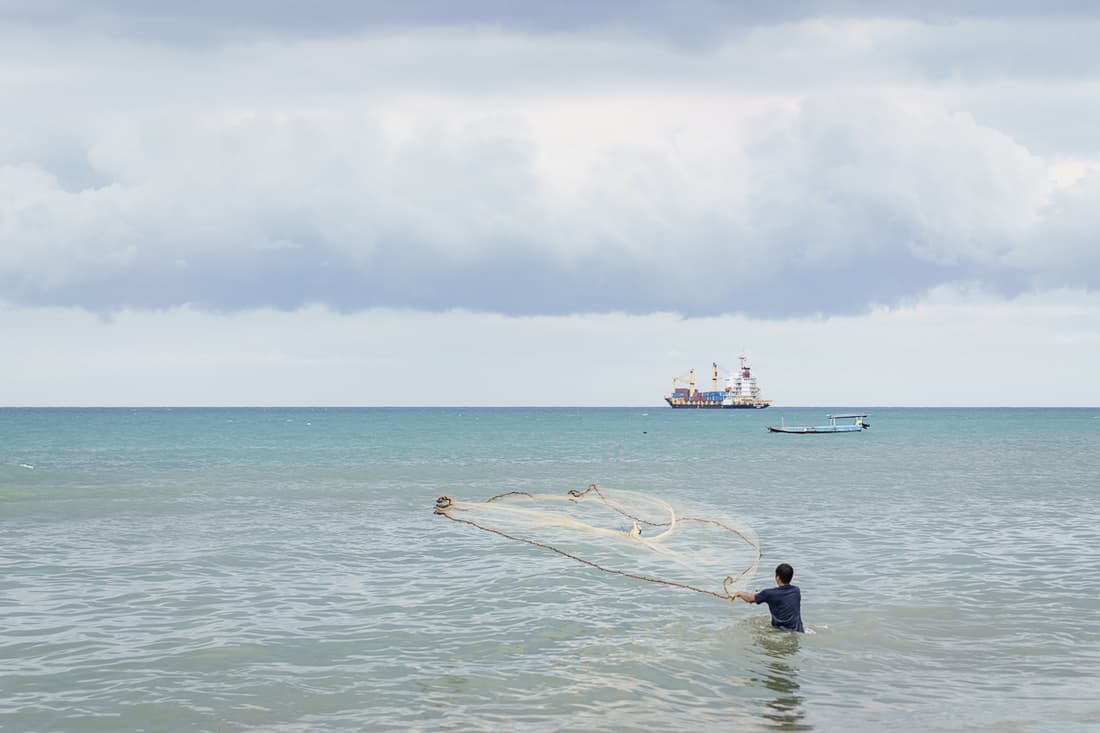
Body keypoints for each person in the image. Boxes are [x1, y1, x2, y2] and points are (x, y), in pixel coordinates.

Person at [732, 563, 804, 633]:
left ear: (778, 578)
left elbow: (750, 599)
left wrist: (739, 593)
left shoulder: (769, 593)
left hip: (781, 632)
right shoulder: (796, 591)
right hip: (799, 630)